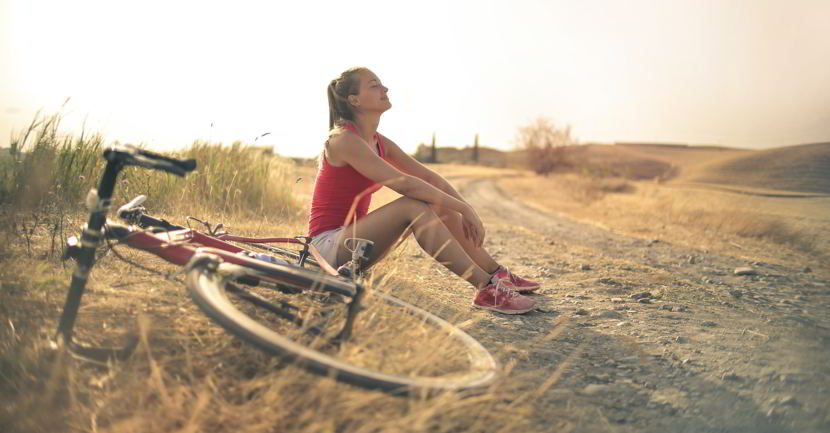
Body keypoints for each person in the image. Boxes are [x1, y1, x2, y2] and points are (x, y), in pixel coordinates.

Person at [307, 66, 539, 315]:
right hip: (326, 248)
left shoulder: (378, 141)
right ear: (354, 100)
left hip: (356, 247)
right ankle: (485, 288)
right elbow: (404, 183)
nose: (385, 89)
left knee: (437, 201)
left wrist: (465, 208)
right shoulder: (343, 139)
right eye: (374, 85)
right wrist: (462, 208)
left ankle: (496, 275)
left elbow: (427, 177)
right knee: (413, 204)